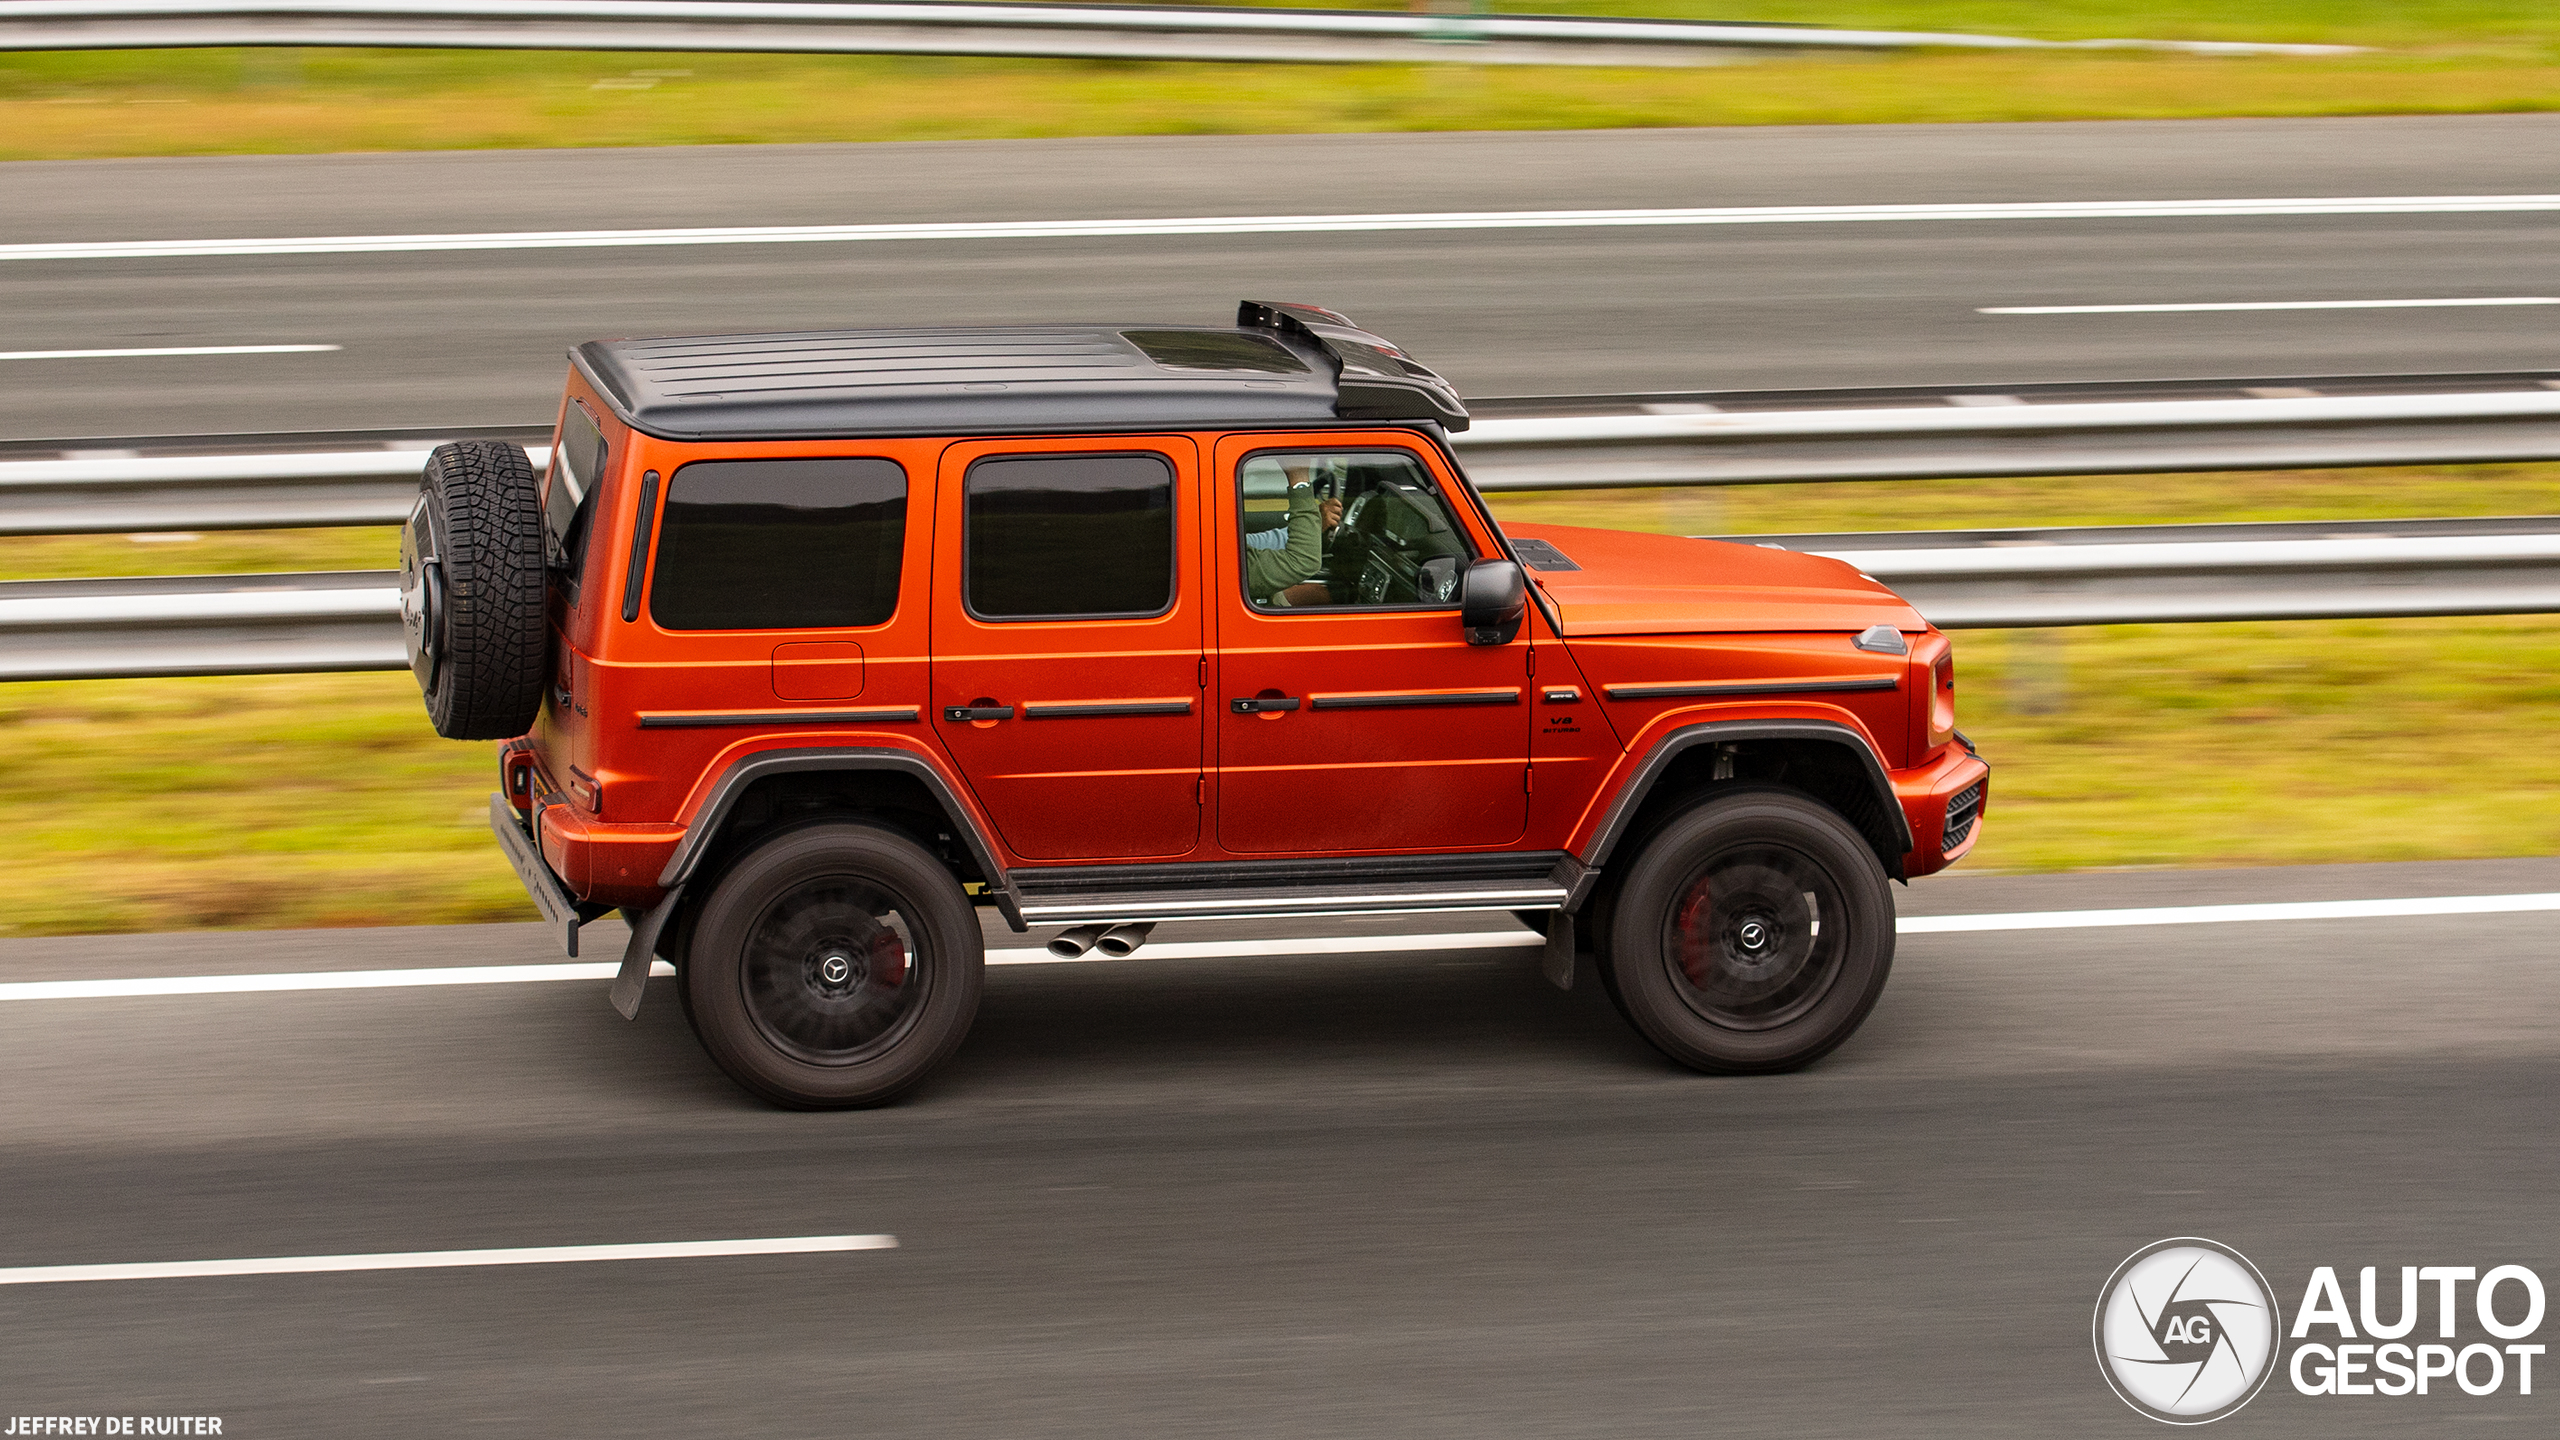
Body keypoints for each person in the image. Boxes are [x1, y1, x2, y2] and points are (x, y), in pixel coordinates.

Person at [1243, 461, 1343, 606]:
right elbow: (1303, 561)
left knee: (1318, 594)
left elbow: (1255, 543)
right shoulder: (1223, 558)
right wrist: (1299, 476)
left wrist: (1313, 526)